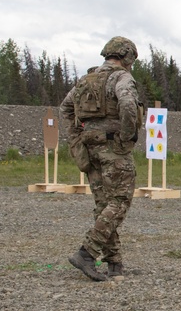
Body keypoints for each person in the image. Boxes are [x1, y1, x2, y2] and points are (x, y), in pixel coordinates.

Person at [60, 36, 141, 282]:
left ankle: (114, 262)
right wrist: (127, 138)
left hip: (90, 147)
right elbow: (128, 105)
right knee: (119, 202)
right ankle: (86, 253)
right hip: (112, 148)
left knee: (104, 205)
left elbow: (65, 107)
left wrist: (78, 138)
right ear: (127, 56)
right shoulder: (121, 77)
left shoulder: (87, 79)